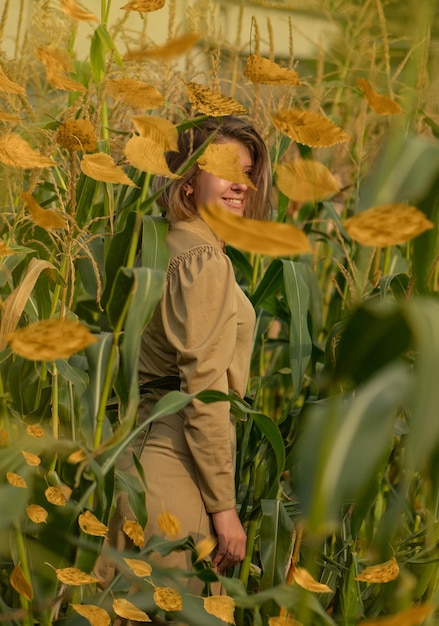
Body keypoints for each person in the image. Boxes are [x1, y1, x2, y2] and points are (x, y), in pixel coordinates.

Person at [99, 115, 272, 595]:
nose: (242, 185)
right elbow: (203, 391)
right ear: (189, 178)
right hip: (176, 470)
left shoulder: (159, 241)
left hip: (134, 458)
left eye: (249, 173)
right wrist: (224, 508)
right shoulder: (204, 260)